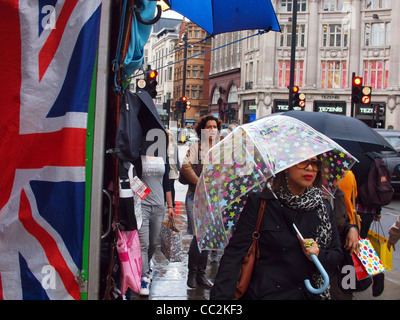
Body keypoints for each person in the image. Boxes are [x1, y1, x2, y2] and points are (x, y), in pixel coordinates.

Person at [210, 157, 342, 300]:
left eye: (315, 163)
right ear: (286, 166)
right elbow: (235, 254)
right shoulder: (261, 203)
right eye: (303, 161)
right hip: (264, 294)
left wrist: (317, 254)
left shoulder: (323, 208)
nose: (310, 168)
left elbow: (336, 254)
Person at [180, 115, 222, 289]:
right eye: (209, 127)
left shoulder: (221, 149)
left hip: (214, 198)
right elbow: (185, 167)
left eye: (215, 127)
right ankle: (192, 274)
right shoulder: (196, 148)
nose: (212, 129)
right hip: (196, 196)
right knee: (199, 236)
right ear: (202, 130)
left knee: (208, 237)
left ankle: (201, 275)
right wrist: (200, 182)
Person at [134, 137, 175, 296]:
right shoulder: (137, 157)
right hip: (142, 205)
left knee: (152, 243)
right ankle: (144, 276)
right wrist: (142, 195)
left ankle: (147, 264)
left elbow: (167, 184)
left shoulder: (162, 158)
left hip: (159, 206)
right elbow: (133, 180)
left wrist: (170, 206)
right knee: (143, 243)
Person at [330, 171, 362, 300]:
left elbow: (343, 222)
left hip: (342, 258)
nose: (310, 169)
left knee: (346, 291)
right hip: (321, 271)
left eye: (315, 164)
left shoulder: (336, 193)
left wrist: (352, 228)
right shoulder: (349, 175)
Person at [166, 130, 180, 209]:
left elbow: (176, 158)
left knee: (171, 185)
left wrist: (178, 169)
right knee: (166, 185)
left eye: (169, 135)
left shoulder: (174, 145)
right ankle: (166, 201)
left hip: (172, 167)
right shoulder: (163, 144)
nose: (168, 136)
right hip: (166, 166)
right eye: (167, 134)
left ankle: (172, 203)